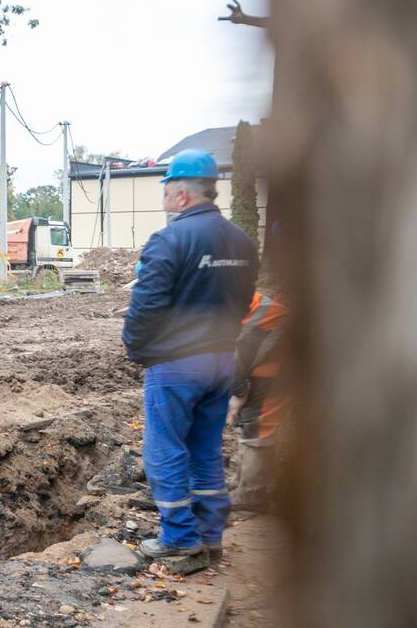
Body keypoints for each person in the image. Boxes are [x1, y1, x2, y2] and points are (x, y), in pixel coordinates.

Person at [122, 149, 257, 560]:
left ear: (182, 195)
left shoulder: (170, 239)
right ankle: (211, 534)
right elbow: (243, 302)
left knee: (165, 449)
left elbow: (146, 304)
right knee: (205, 449)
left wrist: (137, 347)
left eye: (166, 189)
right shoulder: (243, 241)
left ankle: (179, 538)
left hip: (178, 363)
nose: (163, 196)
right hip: (221, 359)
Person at [227, 290, 288, 511]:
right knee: (250, 422)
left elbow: (237, 354)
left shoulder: (234, 313)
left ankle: (252, 493)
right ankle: (242, 482)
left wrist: (238, 393)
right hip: (266, 357)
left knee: (259, 425)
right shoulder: (230, 295)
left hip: (278, 367)